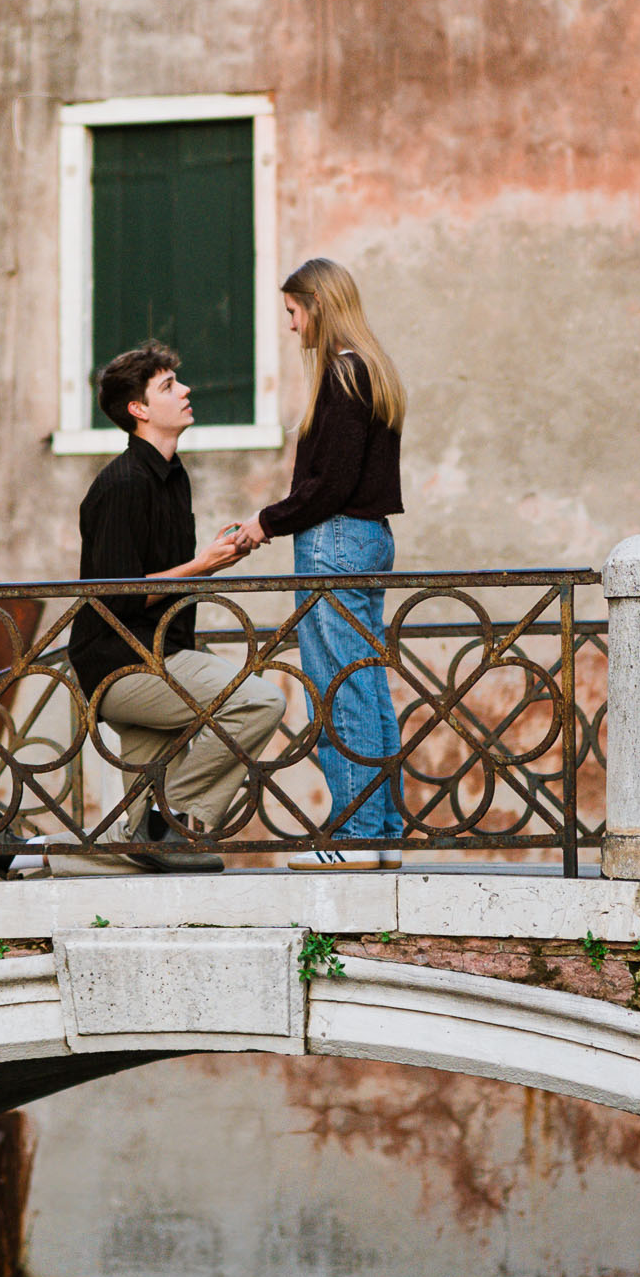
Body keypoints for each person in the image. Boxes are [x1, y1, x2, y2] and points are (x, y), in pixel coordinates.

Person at [66, 341, 284, 875]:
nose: (185, 390)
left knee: (134, 855)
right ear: (138, 410)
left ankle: (11, 862)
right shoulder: (122, 485)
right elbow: (122, 593)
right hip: (124, 664)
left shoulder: (172, 475)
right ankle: (167, 820)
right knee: (258, 702)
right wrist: (203, 565)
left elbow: (161, 577)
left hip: (160, 652)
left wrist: (212, 558)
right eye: (167, 386)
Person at [232, 258, 406, 871]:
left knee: (340, 687)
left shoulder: (343, 374)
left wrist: (265, 522)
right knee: (367, 683)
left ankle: (358, 835)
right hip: (367, 540)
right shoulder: (371, 371)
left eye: (292, 312)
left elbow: (329, 484)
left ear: (318, 305)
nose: (290, 325)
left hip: (334, 541)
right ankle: (382, 831)